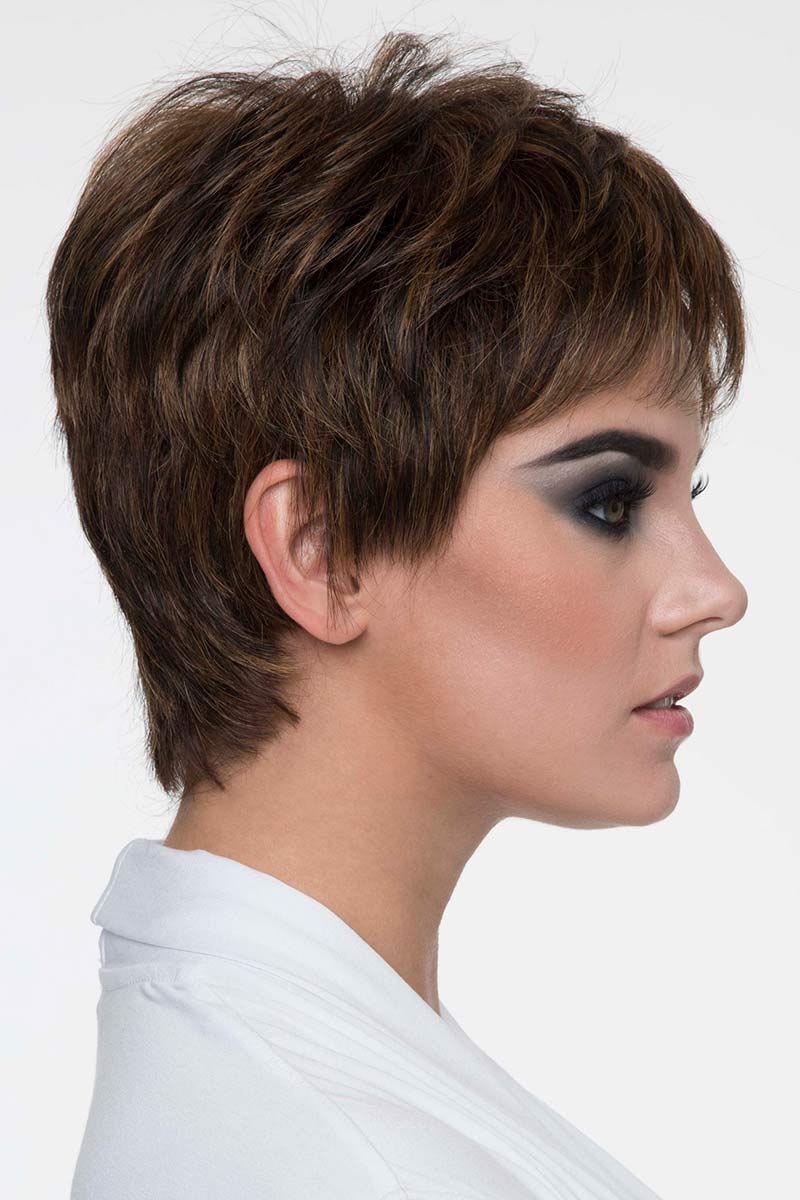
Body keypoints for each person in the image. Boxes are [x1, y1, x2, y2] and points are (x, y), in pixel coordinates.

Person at [49, 28, 748, 1200]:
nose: (714, 590)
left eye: (688, 496)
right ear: (321, 552)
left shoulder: (318, 1078)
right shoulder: (334, 1159)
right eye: (610, 501)